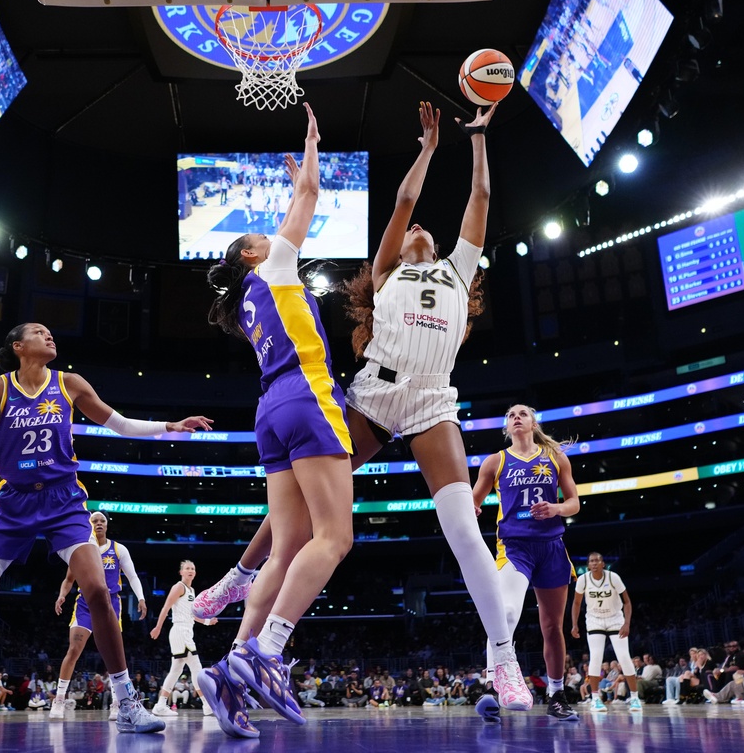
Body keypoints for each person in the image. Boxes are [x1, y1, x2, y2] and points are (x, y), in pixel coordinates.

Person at [194, 102, 530, 726]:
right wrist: (426, 151)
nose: (416, 227)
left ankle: (503, 658)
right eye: (408, 229)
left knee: (462, 528)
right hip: (370, 394)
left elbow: (481, 197)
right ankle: (239, 584)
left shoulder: (458, 271)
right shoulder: (385, 270)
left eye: (423, 229)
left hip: (431, 401)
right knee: (305, 522)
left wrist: (479, 138)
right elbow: (402, 201)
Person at [0, 322, 211, 736]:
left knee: (97, 590)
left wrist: (169, 426)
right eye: (39, 332)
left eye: (50, 333)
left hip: (63, 501)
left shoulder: (69, 383)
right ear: (18, 346)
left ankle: (127, 702)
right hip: (12, 502)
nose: (50, 336)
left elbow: (118, 423)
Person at [198, 104, 354, 739]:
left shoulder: (248, 299)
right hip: (308, 393)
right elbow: (312, 195)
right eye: (262, 235)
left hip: (270, 409)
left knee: (287, 549)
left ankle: (230, 671)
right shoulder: (274, 267)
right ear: (250, 254)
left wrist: (295, 188)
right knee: (335, 538)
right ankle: (268, 649)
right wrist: (312, 146)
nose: (273, 234)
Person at [472, 404, 582, 721]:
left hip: (551, 548)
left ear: (533, 423)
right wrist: (470, 509)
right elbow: (473, 502)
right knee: (505, 612)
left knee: (552, 627)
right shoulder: (495, 461)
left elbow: (574, 503)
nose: (516, 417)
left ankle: (556, 694)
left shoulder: (556, 457)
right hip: (514, 547)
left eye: (522, 413)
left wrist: (556, 509)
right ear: (507, 427)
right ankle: (493, 688)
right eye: (511, 415)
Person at [50, 510, 148, 721]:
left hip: (110, 604)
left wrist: (141, 598)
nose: (99, 523)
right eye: (94, 520)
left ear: (107, 525)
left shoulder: (118, 549)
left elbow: (132, 576)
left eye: (102, 520)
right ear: (89, 525)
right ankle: (58, 700)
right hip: (85, 604)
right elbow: (68, 579)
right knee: (74, 650)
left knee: (113, 655)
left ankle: (117, 703)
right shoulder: (81, 550)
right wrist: (61, 595)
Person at [570, 552, 642, 712]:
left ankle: (635, 698)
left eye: (597, 560)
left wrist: (627, 623)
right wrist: (574, 624)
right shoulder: (583, 580)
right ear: (588, 565)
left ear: (603, 564)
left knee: (624, 656)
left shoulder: (613, 577)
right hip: (594, 619)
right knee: (595, 656)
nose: (594, 563)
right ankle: (595, 699)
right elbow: (576, 603)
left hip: (615, 618)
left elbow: (627, 602)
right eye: (591, 561)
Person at [148, 560, 217, 717]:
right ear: (181, 572)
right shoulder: (179, 587)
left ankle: (160, 705)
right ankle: (206, 704)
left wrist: (207, 622)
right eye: (187, 568)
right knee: (196, 667)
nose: (190, 570)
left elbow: (192, 615)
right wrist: (158, 627)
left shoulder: (191, 590)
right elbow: (166, 607)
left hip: (186, 631)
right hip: (180, 631)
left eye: (193, 568)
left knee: (176, 670)